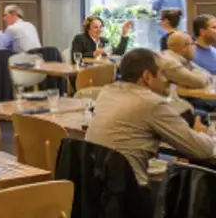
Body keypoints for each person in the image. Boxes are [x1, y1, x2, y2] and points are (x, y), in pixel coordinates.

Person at [86, 48, 216, 185]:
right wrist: (204, 134)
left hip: (95, 188)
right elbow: (201, 150)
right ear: (147, 77)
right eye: (161, 73)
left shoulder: (106, 92)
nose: (166, 79)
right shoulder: (152, 104)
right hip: (128, 192)